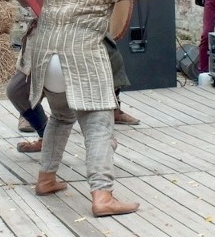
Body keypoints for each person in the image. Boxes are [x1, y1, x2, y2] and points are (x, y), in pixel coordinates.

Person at [15, 0, 165, 217]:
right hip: (82, 55)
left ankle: (46, 177)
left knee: (61, 116)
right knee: (98, 124)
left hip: (46, 55)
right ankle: (103, 196)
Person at [8, 25, 140, 153]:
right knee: (17, 91)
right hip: (43, 36)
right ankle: (45, 137)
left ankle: (102, 139)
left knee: (92, 89)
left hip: (82, 36)